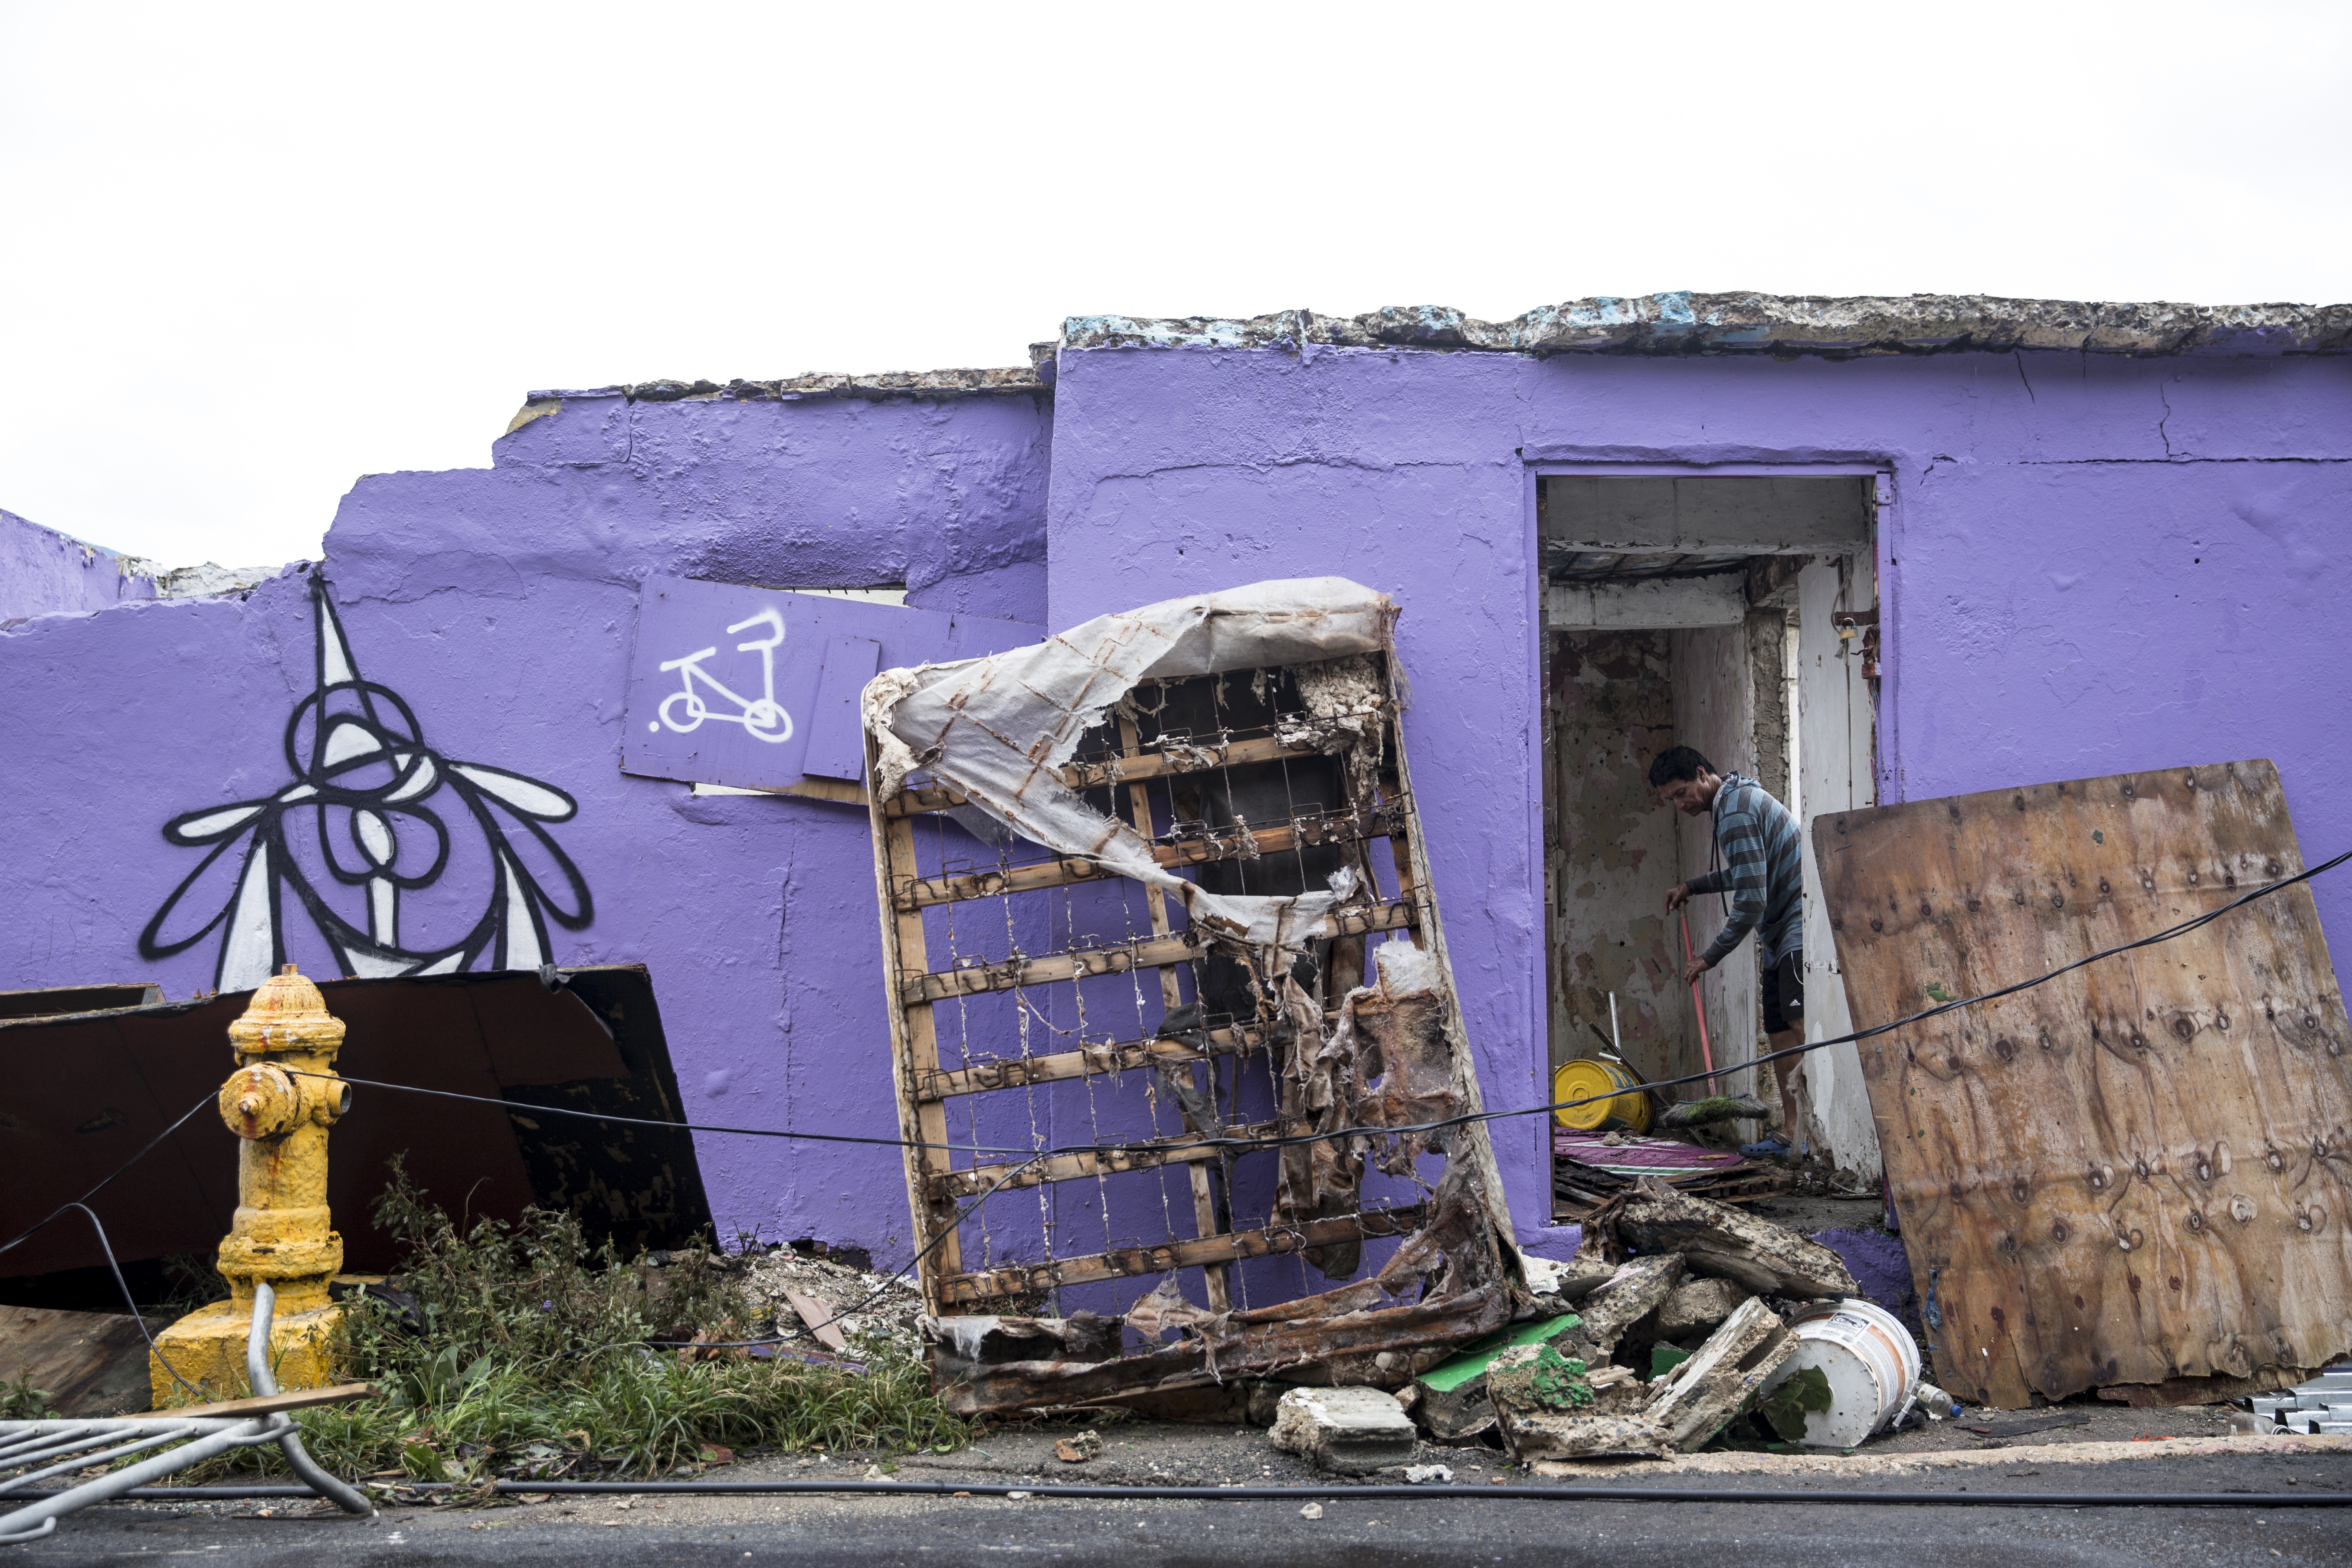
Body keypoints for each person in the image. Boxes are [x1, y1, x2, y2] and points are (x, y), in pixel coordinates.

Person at [1649, 745, 1809, 1156]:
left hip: (1799, 919)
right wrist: (1693, 886)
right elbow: (1744, 871)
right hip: (1776, 930)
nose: (1680, 804)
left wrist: (1709, 957)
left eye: (1682, 793)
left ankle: (1818, 1137)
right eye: (1672, 800)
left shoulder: (1734, 811)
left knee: (1798, 1024)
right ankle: (1791, 1135)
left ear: (1703, 774)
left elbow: (1751, 899)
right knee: (1777, 1028)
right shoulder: (1732, 801)